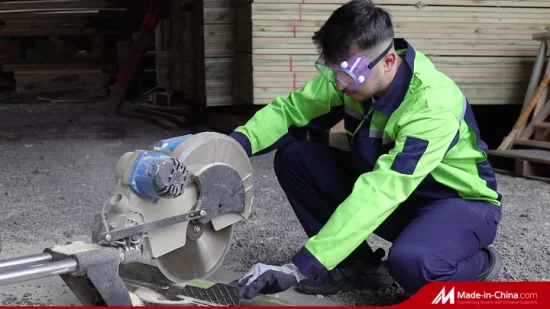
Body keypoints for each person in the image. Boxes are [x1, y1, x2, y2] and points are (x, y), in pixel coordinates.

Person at [227, 0, 503, 300]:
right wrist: (228, 149)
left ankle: (477, 263)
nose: (340, 85)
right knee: (296, 159)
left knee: (413, 264)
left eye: (348, 74)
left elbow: (383, 189)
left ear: (388, 61)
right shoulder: (352, 75)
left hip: (457, 203)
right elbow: (291, 111)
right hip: (400, 199)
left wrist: (301, 266)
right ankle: (358, 265)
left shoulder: (432, 106)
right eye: (333, 71)